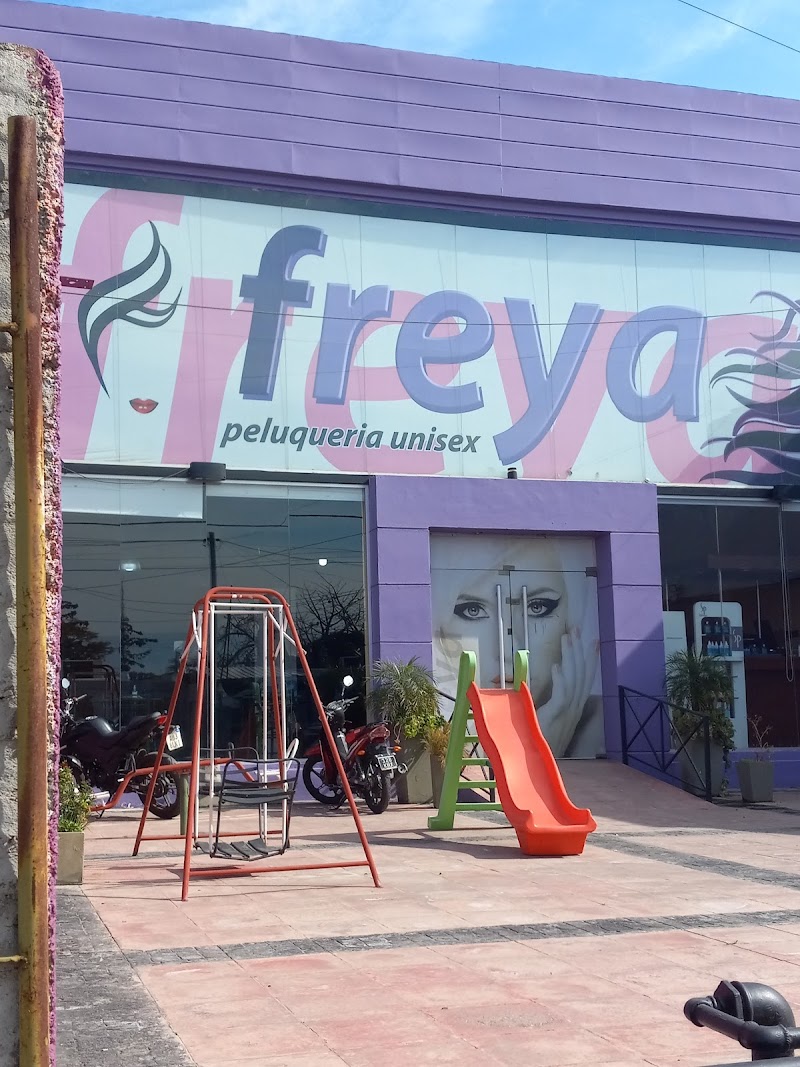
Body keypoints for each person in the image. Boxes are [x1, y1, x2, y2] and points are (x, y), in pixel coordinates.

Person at [431, 534, 602, 758]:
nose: (509, 651)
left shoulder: (602, 728)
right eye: (472, 610)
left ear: (572, 620)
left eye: (538, 607)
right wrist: (547, 749)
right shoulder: (434, 726)